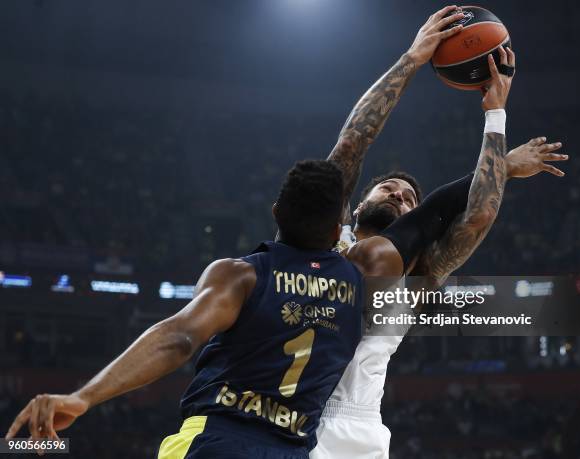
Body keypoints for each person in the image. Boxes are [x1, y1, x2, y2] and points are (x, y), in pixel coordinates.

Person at [4, 156, 478, 458]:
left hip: (223, 437)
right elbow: (437, 213)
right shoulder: (360, 276)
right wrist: (496, 136)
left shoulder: (245, 275)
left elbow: (177, 338)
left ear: (276, 213)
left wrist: (83, 397)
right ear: (341, 227)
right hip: (295, 444)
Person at [311, 7, 567, 459]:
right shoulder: (323, 233)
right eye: (387, 187)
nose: (398, 195)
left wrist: (495, 115)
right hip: (293, 411)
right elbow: (353, 140)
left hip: (359, 426)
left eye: (409, 198)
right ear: (360, 201)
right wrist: (412, 58)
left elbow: (478, 215)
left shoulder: (419, 270)